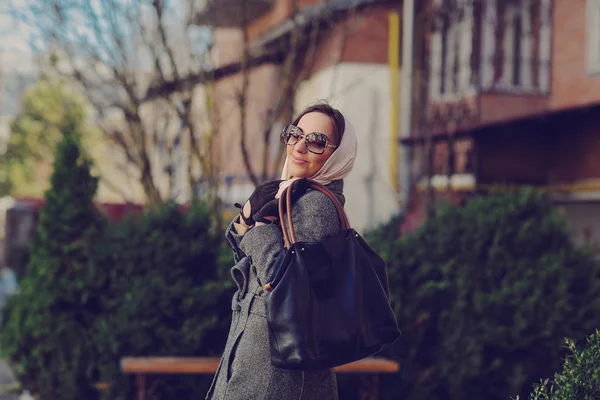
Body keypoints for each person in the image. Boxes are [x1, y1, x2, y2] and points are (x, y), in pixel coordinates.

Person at [206, 102, 358, 400]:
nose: (300, 147)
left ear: (336, 155)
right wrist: (247, 219)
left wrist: (259, 227)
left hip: (277, 378)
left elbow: (285, 285)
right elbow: (250, 267)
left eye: (316, 142)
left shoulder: (317, 206)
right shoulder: (289, 197)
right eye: (295, 134)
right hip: (257, 364)